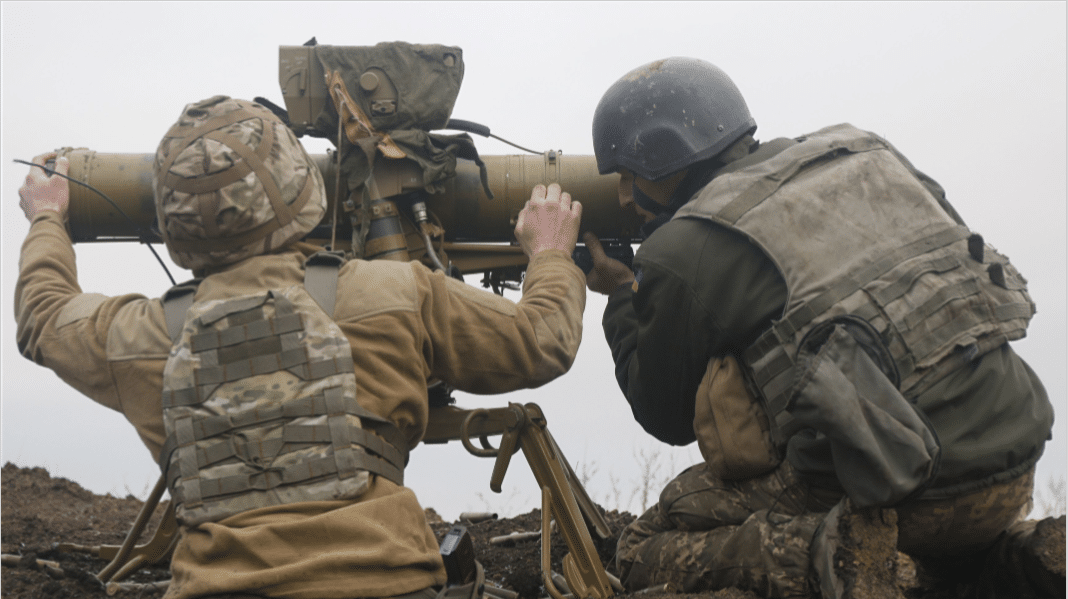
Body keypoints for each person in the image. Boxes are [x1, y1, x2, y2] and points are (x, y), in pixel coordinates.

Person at [15, 95, 586, 599]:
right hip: (391, 583)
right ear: (299, 187)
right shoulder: (394, 295)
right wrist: (552, 253)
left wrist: (48, 217)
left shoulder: (143, 339)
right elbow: (541, 342)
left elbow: (43, 316)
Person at [582, 58, 1060, 598]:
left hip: (906, 497)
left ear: (666, 156)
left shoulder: (684, 247)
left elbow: (663, 415)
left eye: (629, 175)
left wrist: (622, 295)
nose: (623, 196)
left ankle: (829, 559)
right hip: (1013, 461)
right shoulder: (864, 151)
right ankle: (1023, 557)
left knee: (649, 538)